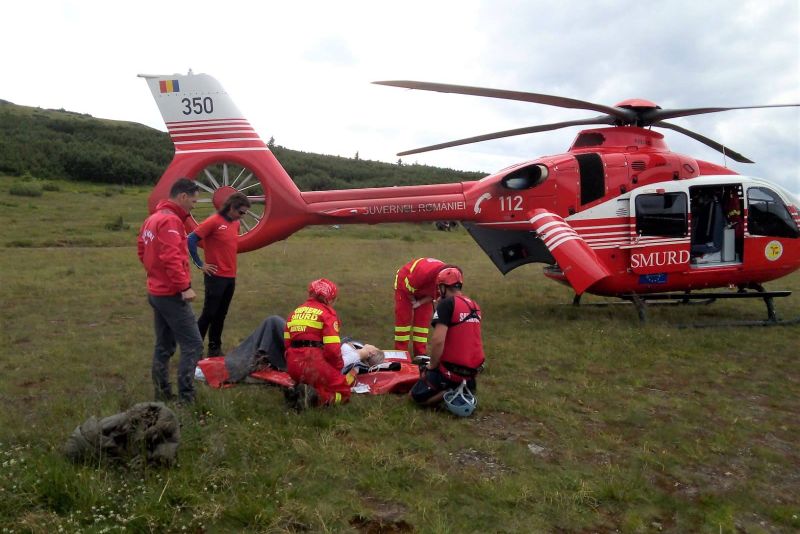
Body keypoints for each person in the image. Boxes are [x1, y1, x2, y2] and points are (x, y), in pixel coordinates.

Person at [137, 178, 204, 403]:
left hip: (156, 291)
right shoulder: (171, 221)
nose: (193, 206)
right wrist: (184, 287)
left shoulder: (152, 219)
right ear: (183, 196)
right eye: (193, 201)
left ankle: (162, 393)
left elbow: (142, 250)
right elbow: (171, 257)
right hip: (170, 294)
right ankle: (187, 398)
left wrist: (155, 275)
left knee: (164, 345)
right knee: (193, 344)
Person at [410, 266, 485, 415]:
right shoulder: (474, 305)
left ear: (443, 287)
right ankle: (463, 389)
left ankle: (448, 391)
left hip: (451, 370)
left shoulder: (447, 304)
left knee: (414, 396)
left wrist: (432, 366)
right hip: (472, 372)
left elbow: (438, 341)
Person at [223, 314, 383, 383]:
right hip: (312, 345)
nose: (373, 345)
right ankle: (260, 354)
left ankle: (246, 361)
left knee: (273, 322)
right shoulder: (357, 350)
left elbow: (336, 364)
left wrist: (360, 354)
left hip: (308, 351)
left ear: (371, 352)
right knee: (274, 323)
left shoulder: (354, 357)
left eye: (374, 348)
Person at [188, 192, 251, 357]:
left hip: (230, 276)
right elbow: (191, 239)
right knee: (209, 313)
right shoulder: (214, 221)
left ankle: (214, 347)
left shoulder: (236, 223)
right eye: (241, 212)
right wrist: (200, 264)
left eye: (245, 213)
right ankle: (194, 349)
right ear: (231, 208)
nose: (242, 216)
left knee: (221, 314)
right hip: (215, 277)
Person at [283, 279, 354, 410]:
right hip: (314, 363)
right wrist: (337, 369)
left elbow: (287, 345)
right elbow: (332, 350)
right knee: (344, 392)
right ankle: (316, 399)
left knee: (318, 381)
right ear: (329, 299)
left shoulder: (294, 313)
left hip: (293, 365)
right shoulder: (327, 315)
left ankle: (297, 392)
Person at [393, 257, 446, 360]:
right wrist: (413, 301)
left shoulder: (447, 281)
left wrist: (420, 302)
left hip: (424, 288)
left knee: (423, 321)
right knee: (403, 320)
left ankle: (420, 354)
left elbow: (434, 295)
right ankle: (400, 354)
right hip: (405, 283)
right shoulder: (423, 273)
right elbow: (407, 287)